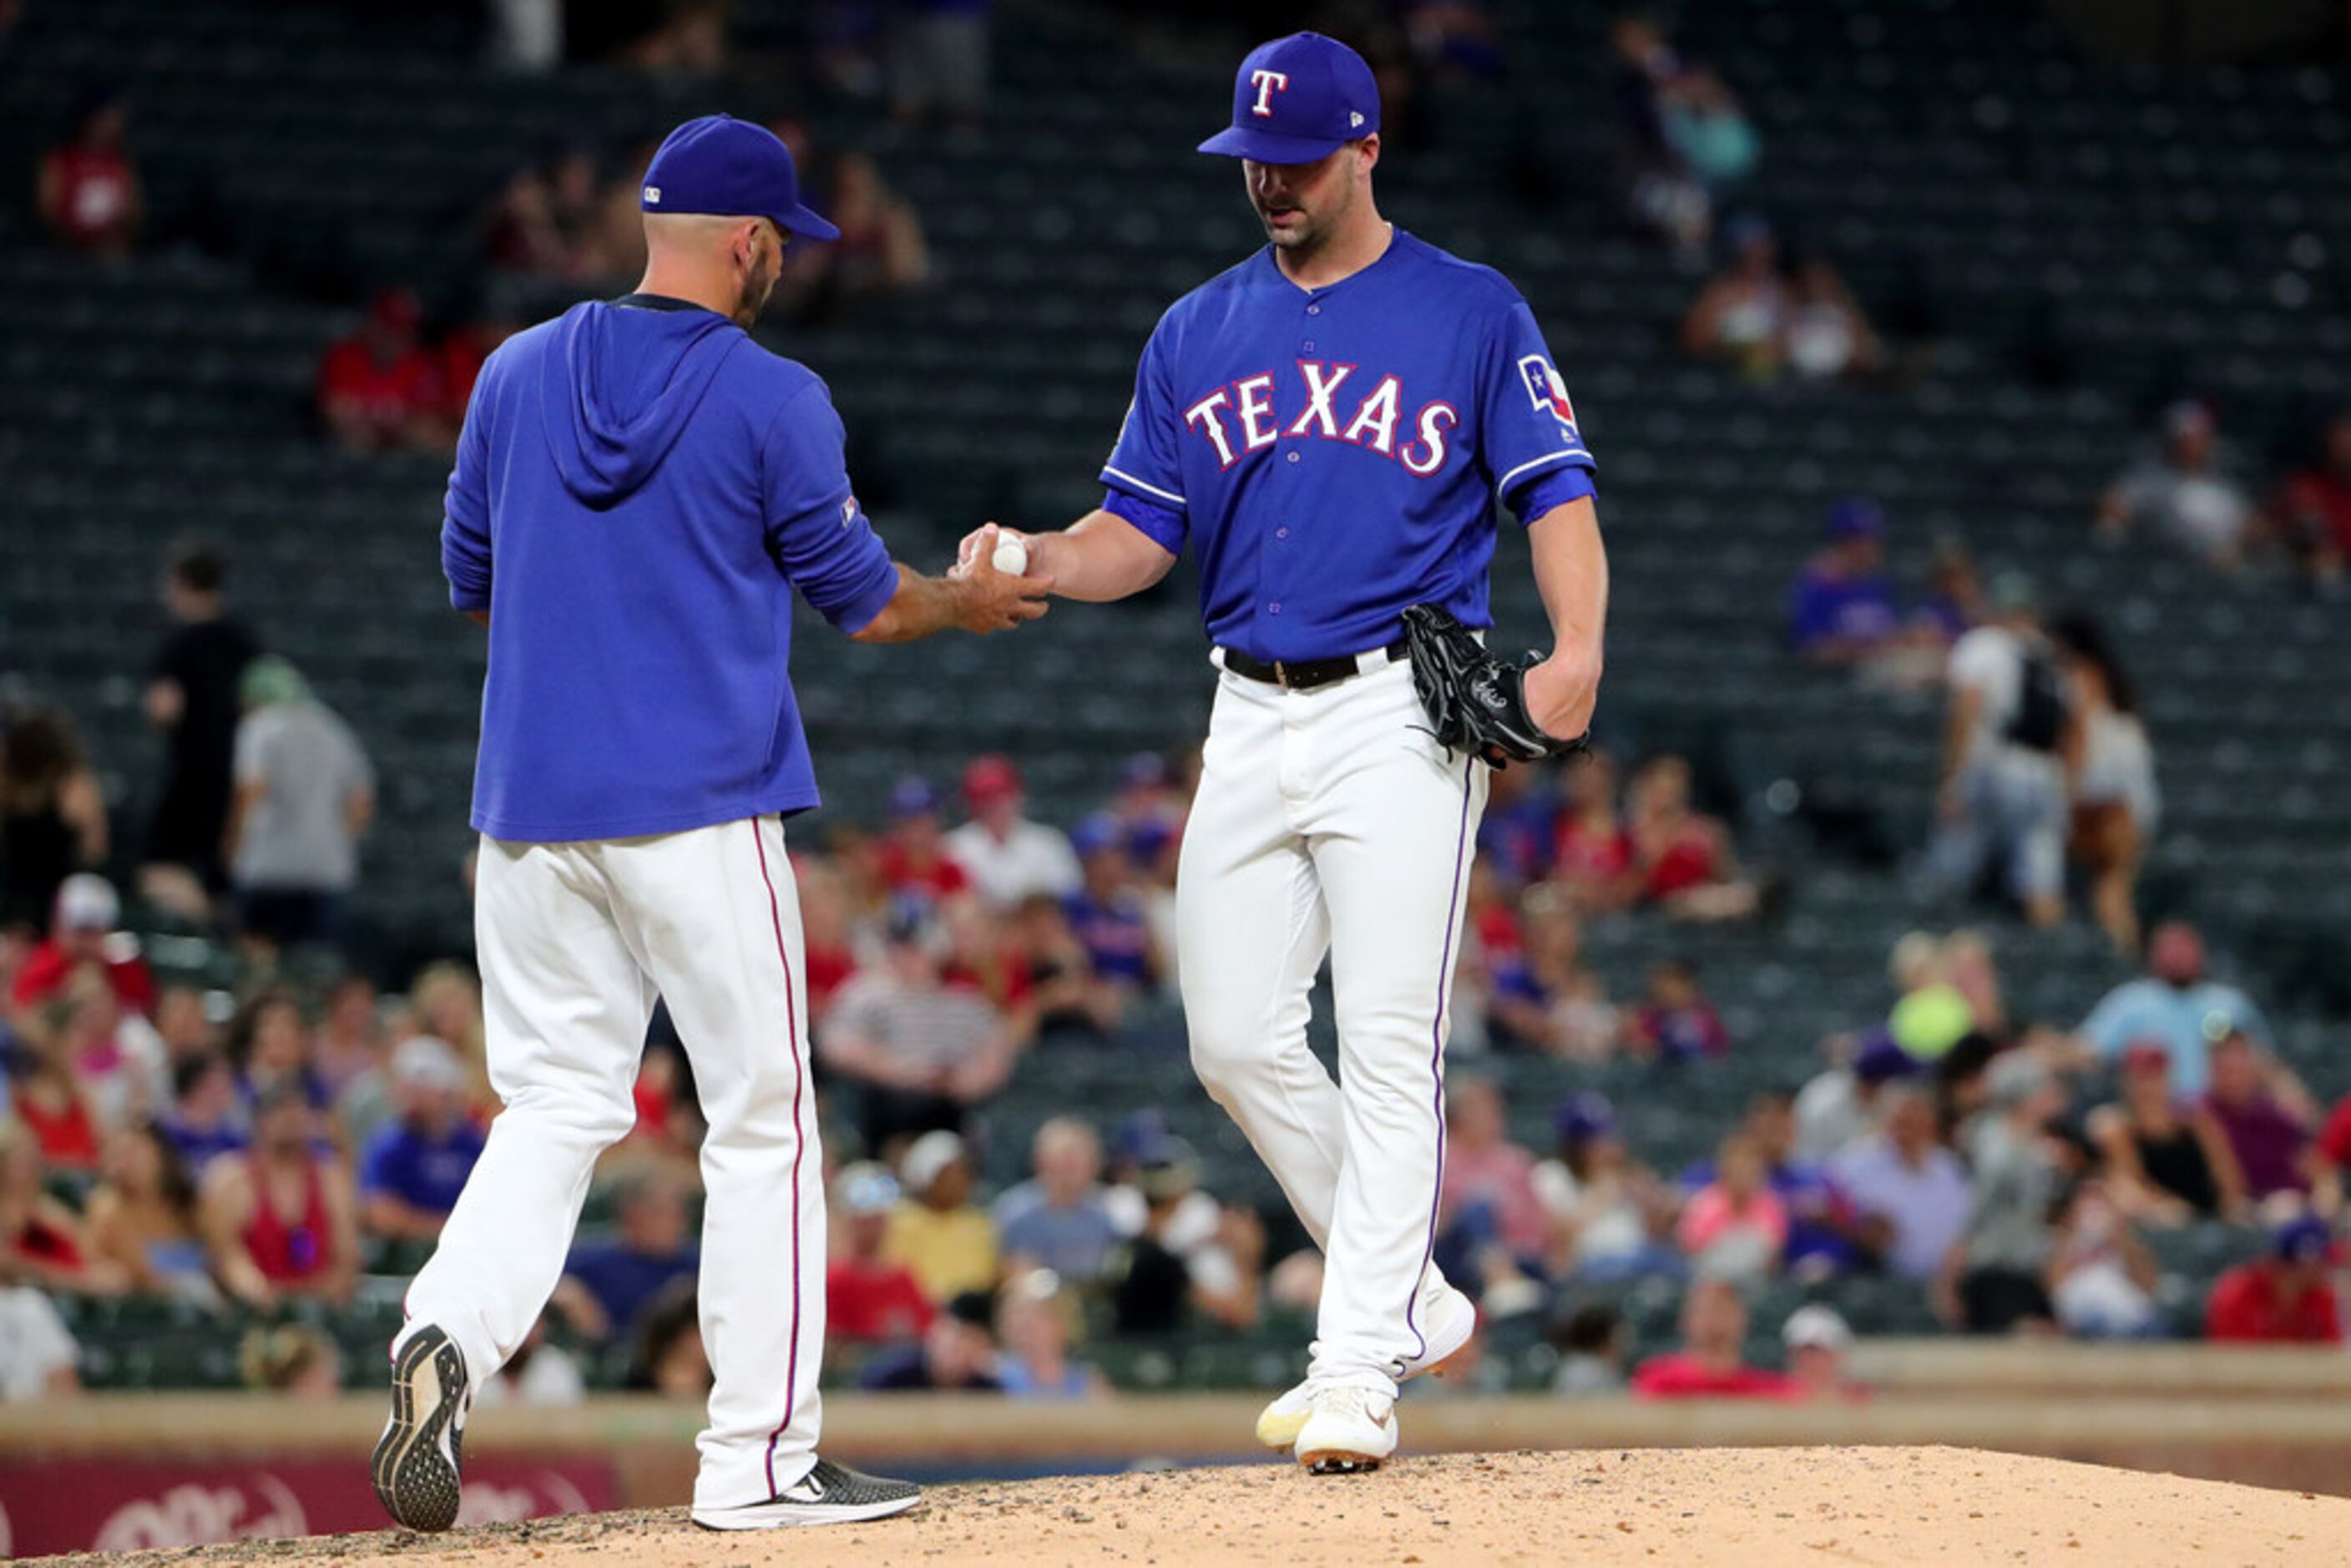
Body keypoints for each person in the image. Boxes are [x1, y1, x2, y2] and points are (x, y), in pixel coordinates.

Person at [953, 31, 1607, 1476]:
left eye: (1298, 157)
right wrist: (1044, 555)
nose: (1270, 180)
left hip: (1399, 709)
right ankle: (1416, 1294)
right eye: (1253, 156)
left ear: (1368, 146)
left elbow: (1552, 488)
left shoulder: (1471, 309)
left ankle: (1355, 1360)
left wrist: (1577, 649)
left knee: (1385, 1040)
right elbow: (1139, 534)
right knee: (1232, 1033)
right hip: (1244, 704)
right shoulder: (1198, 328)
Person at [383, 114, 1043, 1535]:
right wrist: (966, 594)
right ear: (746, 241)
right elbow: (868, 603)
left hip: (530, 815)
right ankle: (758, 1459)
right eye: (779, 246)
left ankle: (443, 1330)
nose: (781, 268)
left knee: (557, 1104)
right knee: (763, 1119)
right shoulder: (774, 394)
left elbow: (474, 581)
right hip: (696, 806)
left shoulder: (511, 370)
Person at [818, 901, 1019, 1153]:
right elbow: (836, 1046)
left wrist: (962, 1082)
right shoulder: (867, 993)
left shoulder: (963, 1000)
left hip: (950, 1108)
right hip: (887, 1110)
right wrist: (909, 1072)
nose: (907, 955)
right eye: (900, 945)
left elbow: (997, 1054)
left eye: (916, 945)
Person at [1927, 573, 2067, 928]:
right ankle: (2048, 950)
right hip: (2045, 774)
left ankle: (1946, 941)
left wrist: (1952, 779)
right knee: (2041, 880)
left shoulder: (1983, 644)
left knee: (1956, 870)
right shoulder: (2048, 655)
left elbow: (1966, 711)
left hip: (1993, 768)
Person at [224, 657, 375, 952]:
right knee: (316, 967)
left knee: (258, 959)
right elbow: (361, 802)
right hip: (326, 870)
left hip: (266, 867)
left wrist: (232, 847)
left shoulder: (260, 727)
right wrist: (338, 843)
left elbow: (250, 791)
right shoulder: (333, 728)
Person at [142, 546, 258, 909]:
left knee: (157, 866)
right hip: (234, 772)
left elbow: (165, 708)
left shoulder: (179, 640)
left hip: (191, 770)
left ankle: (201, 927)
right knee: (219, 872)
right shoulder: (243, 641)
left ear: (181, 583)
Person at [2045, 615, 2158, 955]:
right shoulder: (2115, 685)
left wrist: (2065, 791)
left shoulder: (2082, 677)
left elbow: (2078, 736)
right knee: (2114, 890)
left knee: (2109, 891)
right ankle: (2124, 953)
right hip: (2133, 797)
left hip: (2108, 798)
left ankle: (2122, 957)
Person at [196, 1081, 359, 1310]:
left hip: (321, 1306)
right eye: (281, 1111)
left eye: (298, 1112)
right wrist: (256, 1290)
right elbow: (227, 1255)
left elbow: (346, 1255)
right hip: (256, 1308)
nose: (291, 1121)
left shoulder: (331, 1178)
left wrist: (324, 1296)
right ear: (261, 1120)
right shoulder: (232, 1179)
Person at [2076, 923, 2271, 1100]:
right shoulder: (2131, 1001)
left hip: (2220, 1111)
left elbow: (2264, 1061)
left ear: (2201, 952)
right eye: (2170, 948)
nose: (2178, 955)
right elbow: (2088, 1050)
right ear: (2153, 954)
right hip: (2155, 1115)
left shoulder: (2229, 1002)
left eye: (2185, 947)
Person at [1941, 1053, 2062, 1334]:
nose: (2052, 1094)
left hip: (2026, 1270)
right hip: (1995, 1271)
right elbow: (1976, 1212)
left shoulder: (2032, 1144)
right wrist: (1948, 1281)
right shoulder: (1999, 1147)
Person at [1828, 1084, 1973, 1282]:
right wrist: (1862, 1229)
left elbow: (1965, 1230)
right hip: (1873, 1279)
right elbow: (1832, 1215)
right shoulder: (1855, 1164)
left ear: (1931, 1123)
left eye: (1916, 1122)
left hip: (1940, 1283)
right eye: (1901, 1122)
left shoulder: (1950, 1169)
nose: (1907, 1132)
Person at [2086, 1044, 2244, 1223]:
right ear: (2127, 1082)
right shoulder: (2118, 1128)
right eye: (2140, 1078)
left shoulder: (2197, 1122)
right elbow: (2130, 1181)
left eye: (2154, 1077)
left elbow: (2228, 1179)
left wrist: (2232, 1209)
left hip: (2209, 1217)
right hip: (2158, 1222)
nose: (2147, 1087)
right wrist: (2166, 1207)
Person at [2097, 400, 2254, 569]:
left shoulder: (2226, 485)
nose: (2192, 446)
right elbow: (2113, 508)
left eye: (2199, 438)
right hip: (2174, 565)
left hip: (2229, 565)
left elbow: (2249, 526)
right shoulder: (2150, 480)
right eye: (2185, 439)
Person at [357, 1038, 485, 1247]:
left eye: (423, 1089)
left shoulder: (471, 1142)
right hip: (405, 1259)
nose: (413, 1099)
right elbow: (381, 1215)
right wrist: (447, 1228)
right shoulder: (389, 1146)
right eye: (408, 1089)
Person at [552, 1171, 699, 1349]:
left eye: (680, 1211)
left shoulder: (695, 1263)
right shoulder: (597, 1259)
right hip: (609, 1352)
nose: (678, 1220)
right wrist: (569, 1294)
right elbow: (543, 1280)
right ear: (632, 1216)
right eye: (663, 1211)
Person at [0, 707, 108, 937]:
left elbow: (95, 851)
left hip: (59, 905)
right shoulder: (8, 783)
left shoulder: (74, 786)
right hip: (12, 899)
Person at [84, 1121, 214, 1301]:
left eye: (134, 1153)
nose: (125, 1163)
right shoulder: (105, 1206)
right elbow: (93, 1263)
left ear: (161, 1156)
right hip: (137, 1304)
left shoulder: (189, 1205)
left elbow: (210, 1258)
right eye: (118, 1155)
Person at [991, 1116, 1122, 1284]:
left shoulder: (1109, 1213)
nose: (1067, 1172)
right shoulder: (1013, 1213)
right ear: (1038, 1162)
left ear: (1094, 1166)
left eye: (1075, 1163)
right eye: (1061, 1161)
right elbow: (1011, 1275)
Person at [942, 756, 1079, 911]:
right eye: (986, 799)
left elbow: (1066, 898)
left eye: (1002, 797)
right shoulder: (954, 846)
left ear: (1018, 797)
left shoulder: (1048, 842)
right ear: (973, 804)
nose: (995, 806)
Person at [316, 288, 442, 454]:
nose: (396, 338)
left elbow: (431, 423)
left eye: (405, 330)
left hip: (405, 452)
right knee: (356, 440)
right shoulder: (345, 357)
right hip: (355, 453)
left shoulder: (423, 363)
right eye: (390, 328)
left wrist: (376, 422)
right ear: (374, 325)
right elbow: (335, 414)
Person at [2199, 1031, 2318, 1204]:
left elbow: (2314, 1159)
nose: (2234, 1078)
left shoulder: (2274, 1111)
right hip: (2242, 1212)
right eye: (2226, 1069)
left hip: (2294, 1204)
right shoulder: (2199, 1116)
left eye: (2239, 1067)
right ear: (2212, 1070)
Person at [882, 1129, 998, 1306]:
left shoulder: (979, 1223)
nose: (957, 1183)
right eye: (948, 1176)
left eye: (962, 1174)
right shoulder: (899, 1221)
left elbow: (986, 1279)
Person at [1628, 1278, 1794, 1399]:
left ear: (1743, 1319)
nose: (1713, 1319)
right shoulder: (1657, 1383)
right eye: (1704, 1311)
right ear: (1685, 1320)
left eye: (1723, 1309)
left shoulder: (1769, 1390)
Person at [825, 1164, 932, 1345]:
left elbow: (925, 1330)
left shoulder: (902, 1276)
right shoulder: (834, 1281)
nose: (874, 1226)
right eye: (865, 1221)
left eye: (878, 1218)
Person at [2204, 1214, 2343, 1344]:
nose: (2325, 1270)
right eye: (2318, 1265)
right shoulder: (2237, 1293)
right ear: (2284, 1265)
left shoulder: (2322, 1297)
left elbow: (2331, 1352)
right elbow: (2228, 1356)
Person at [1059, 815, 1161, 994]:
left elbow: (1158, 970)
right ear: (1087, 862)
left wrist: (1147, 912)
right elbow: (1069, 967)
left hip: (1138, 998)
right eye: (1105, 857)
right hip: (1092, 1001)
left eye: (1118, 855)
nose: (1114, 865)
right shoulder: (1069, 907)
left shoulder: (1134, 906)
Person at [36, 89, 142, 256]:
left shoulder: (119, 163)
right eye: (108, 116)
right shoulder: (61, 161)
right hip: (68, 248)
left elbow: (134, 211)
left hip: (111, 249)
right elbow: (48, 212)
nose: (116, 123)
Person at [1681, 216, 1786, 381]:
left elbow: (1788, 339)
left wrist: (1767, 349)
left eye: (1764, 256)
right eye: (1751, 254)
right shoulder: (1718, 292)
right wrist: (1735, 349)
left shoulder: (1780, 291)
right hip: (1722, 374)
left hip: (1769, 375)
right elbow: (1693, 342)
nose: (1759, 261)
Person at [2269, 407, 2351, 591]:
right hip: (2305, 581)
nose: (2346, 449)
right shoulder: (2305, 488)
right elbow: (2266, 530)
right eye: (2341, 441)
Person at [856, 1290, 1002, 1391]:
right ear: (935, 1332)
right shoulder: (891, 1378)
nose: (964, 1350)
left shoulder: (986, 1390)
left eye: (975, 1342)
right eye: (958, 1338)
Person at [995, 1268, 1106, 1401]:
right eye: (1017, 1314)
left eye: (1040, 1314)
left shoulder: (1088, 1382)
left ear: (1064, 1324)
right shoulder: (993, 1377)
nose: (1025, 1324)